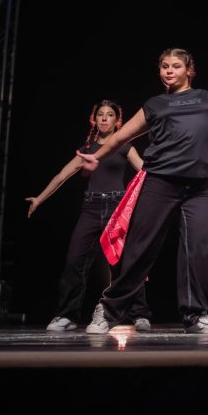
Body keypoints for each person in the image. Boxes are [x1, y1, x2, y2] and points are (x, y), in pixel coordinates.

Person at [79, 48, 208, 334]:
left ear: (189, 70)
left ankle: (196, 315)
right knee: (140, 249)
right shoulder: (155, 104)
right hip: (161, 181)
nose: (169, 71)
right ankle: (109, 309)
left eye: (176, 66)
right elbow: (120, 136)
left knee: (201, 249)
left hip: (200, 186)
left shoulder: (205, 97)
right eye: (164, 66)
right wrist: (97, 156)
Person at [27, 100, 151, 332]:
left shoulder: (124, 146)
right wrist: (39, 199)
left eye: (110, 114)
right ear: (94, 120)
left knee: (125, 263)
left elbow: (145, 173)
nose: (104, 118)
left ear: (117, 121)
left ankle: (139, 313)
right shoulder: (87, 150)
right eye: (100, 114)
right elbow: (62, 175)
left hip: (116, 208)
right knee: (75, 260)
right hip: (91, 208)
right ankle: (66, 316)